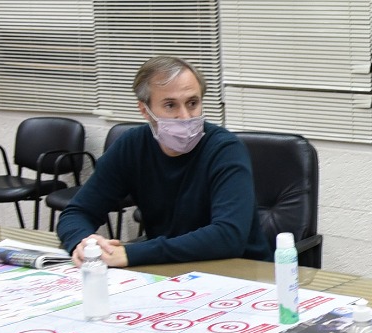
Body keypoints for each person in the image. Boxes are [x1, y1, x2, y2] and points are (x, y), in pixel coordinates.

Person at [58, 56, 268, 267]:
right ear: (144, 110)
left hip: (241, 271)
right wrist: (84, 242)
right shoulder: (132, 146)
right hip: (169, 269)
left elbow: (228, 236)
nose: (185, 116)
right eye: (170, 105)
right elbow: (77, 212)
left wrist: (130, 254)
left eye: (192, 103)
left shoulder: (225, 149)